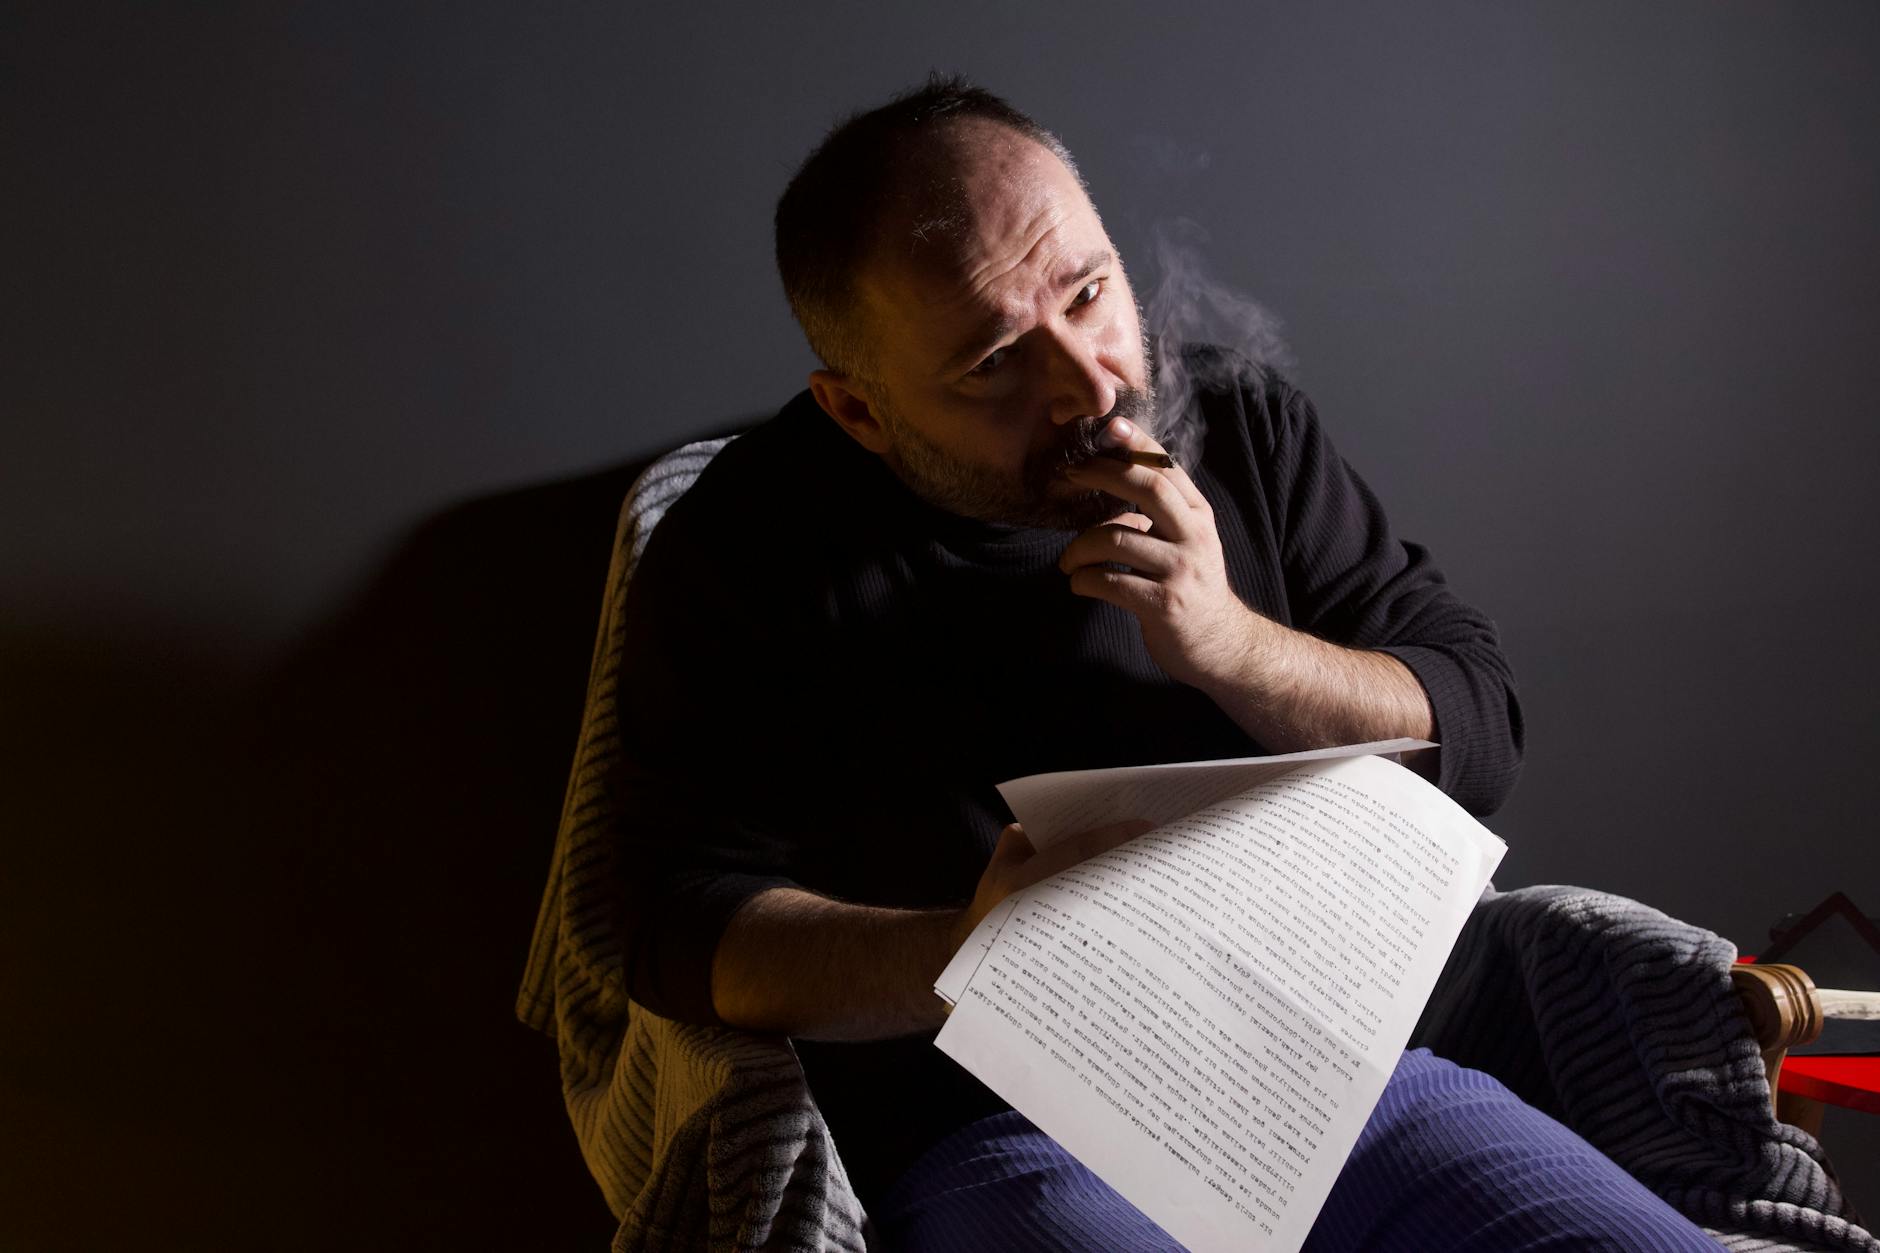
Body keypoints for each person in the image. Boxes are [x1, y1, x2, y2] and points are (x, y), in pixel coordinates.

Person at [606, 77, 1719, 1250]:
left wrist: (1231, 643)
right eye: (993, 361)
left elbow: (1475, 727)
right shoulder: (744, 549)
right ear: (858, 412)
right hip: (997, 1135)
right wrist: (968, 950)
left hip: (1339, 1088)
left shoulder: (1237, 422)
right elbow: (678, 928)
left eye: (1088, 293)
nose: (1088, 384)